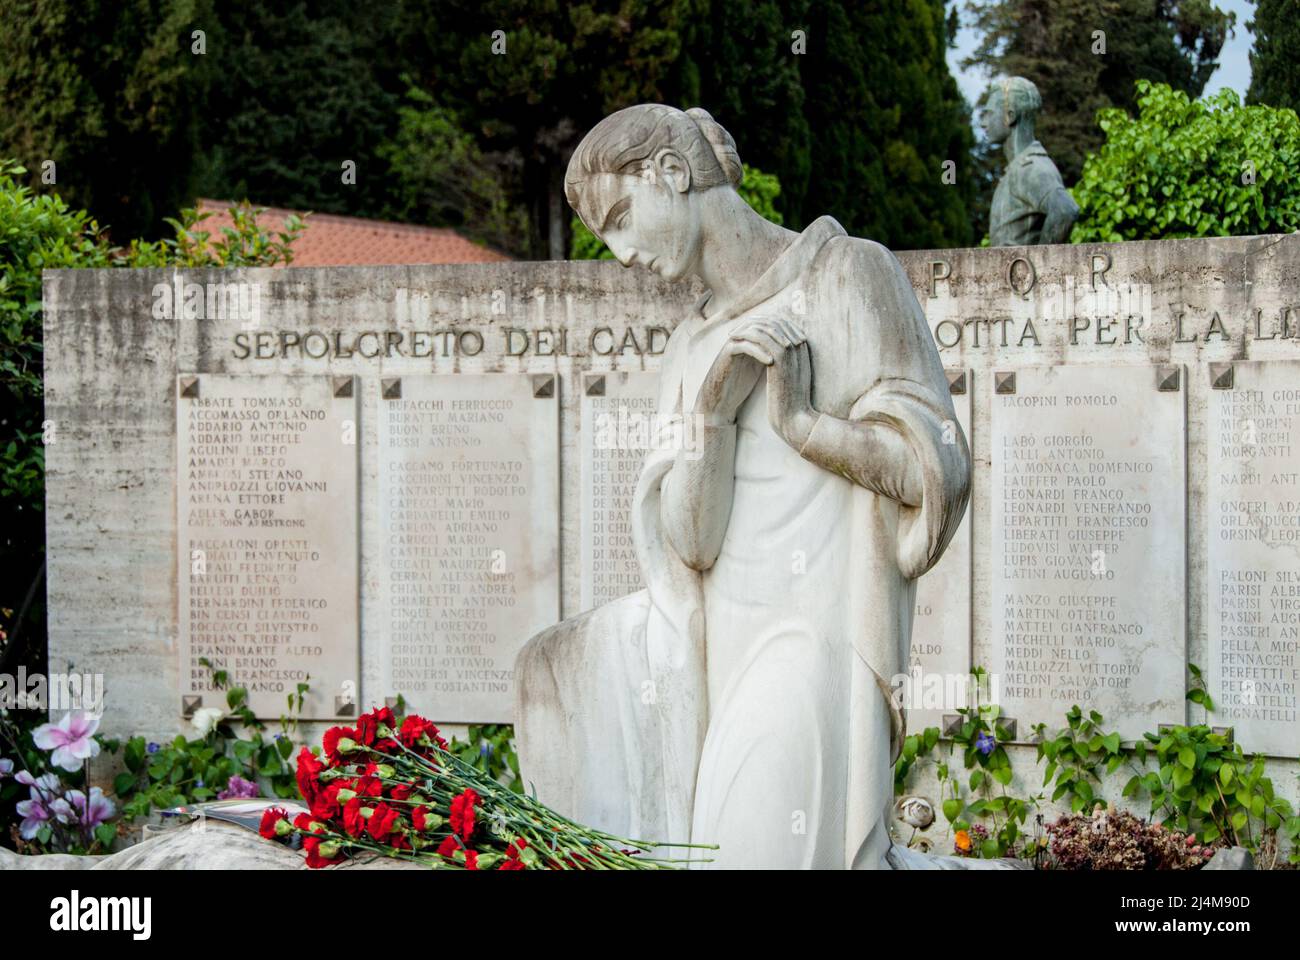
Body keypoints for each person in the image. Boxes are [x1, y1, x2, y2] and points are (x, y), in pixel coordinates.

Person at [514, 104, 970, 869]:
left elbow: (938, 471)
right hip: (714, 665)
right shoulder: (691, 345)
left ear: (672, 172)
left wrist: (803, 426)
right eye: (606, 239)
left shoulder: (849, 273)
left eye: (624, 217)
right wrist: (714, 416)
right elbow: (691, 544)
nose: (622, 255)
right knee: (553, 678)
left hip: (820, 649)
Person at [982, 76, 1080, 246]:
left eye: (989, 114)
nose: (983, 123)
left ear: (1010, 116)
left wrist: (1041, 265)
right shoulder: (1017, 169)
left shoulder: (1030, 168)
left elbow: (1065, 211)